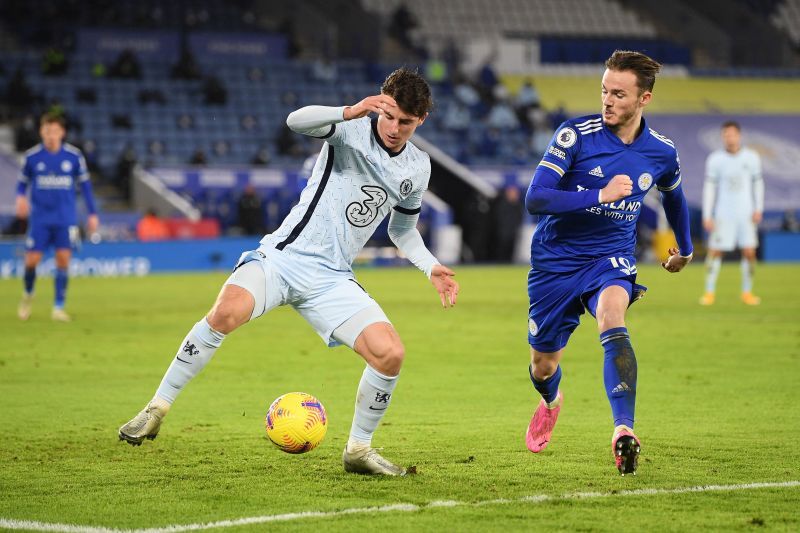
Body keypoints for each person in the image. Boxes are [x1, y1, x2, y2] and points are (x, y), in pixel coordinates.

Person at [118, 68, 459, 476]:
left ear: (420, 120)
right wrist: (352, 110)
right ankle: (156, 408)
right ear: (380, 105)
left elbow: (402, 230)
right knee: (225, 312)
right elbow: (295, 121)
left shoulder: (418, 168)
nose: (394, 128)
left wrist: (430, 265)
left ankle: (358, 450)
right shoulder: (350, 130)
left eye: (406, 122)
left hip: (332, 278)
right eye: (389, 116)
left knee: (391, 355)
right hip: (283, 258)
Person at [523, 50, 693, 476]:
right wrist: (597, 195)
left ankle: (623, 431)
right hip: (555, 262)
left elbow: (673, 195)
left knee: (613, 316)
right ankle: (550, 400)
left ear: (644, 99)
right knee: (543, 365)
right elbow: (536, 198)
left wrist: (685, 247)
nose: (608, 101)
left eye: (619, 93)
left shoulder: (660, 152)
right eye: (604, 91)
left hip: (610, 257)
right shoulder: (575, 135)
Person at [16, 112, 99, 322]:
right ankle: (28, 293)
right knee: (31, 261)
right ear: (41, 132)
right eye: (46, 131)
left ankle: (58, 307)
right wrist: (20, 198)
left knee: (63, 261)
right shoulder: (32, 157)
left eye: (54, 131)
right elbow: (21, 184)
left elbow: (86, 187)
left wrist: (92, 213)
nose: (50, 135)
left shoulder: (73, 157)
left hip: (65, 218)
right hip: (40, 219)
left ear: (62, 132)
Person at [700, 121, 764, 306]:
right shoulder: (715, 159)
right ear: (723, 137)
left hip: (746, 212)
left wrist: (758, 208)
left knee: (749, 252)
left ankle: (747, 292)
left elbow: (758, 184)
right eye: (726, 135)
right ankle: (709, 292)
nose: (730, 138)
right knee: (715, 252)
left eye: (733, 134)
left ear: (739, 136)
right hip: (723, 213)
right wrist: (707, 214)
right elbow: (709, 188)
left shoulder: (751, 158)